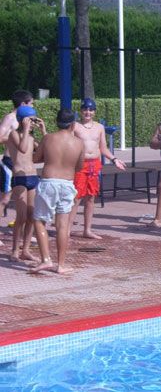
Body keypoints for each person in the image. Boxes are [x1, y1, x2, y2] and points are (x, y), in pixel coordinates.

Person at [30, 109, 85, 274]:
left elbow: (35, 158)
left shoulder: (48, 138)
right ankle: (61, 265)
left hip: (49, 183)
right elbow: (79, 166)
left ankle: (46, 259)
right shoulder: (79, 143)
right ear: (73, 124)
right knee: (62, 225)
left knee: (39, 220)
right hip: (67, 183)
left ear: (57, 122)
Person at [68, 98, 126, 240]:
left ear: (94, 112)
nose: (88, 112)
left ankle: (87, 230)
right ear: (81, 111)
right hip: (80, 165)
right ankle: (67, 230)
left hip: (94, 164)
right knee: (76, 198)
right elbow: (67, 144)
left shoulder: (99, 127)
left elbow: (103, 148)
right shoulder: (74, 126)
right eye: (85, 109)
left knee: (91, 198)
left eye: (91, 110)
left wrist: (114, 159)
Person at [6, 106, 45, 262]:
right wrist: (26, 129)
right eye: (30, 120)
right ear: (22, 120)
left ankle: (26, 250)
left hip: (32, 178)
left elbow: (46, 150)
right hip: (19, 179)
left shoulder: (32, 138)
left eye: (34, 120)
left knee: (31, 216)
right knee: (21, 217)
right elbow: (22, 149)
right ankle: (15, 250)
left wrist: (43, 131)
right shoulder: (13, 134)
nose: (33, 123)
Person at [0, 90, 35, 222]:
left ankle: (23, 230)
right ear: (23, 104)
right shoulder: (10, 118)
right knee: (5, 199)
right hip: (10, 162)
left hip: (23, 165)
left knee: (25, 200)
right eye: (31, 104)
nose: (33, 107)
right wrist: (13, 139)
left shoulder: (27, 118)